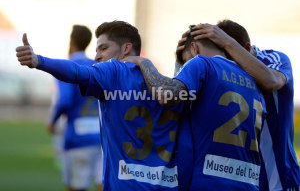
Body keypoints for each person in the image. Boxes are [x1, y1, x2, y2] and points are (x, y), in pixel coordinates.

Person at [16, 21, 183, 190]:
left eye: (103, 49)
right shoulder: (171, 87)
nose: (96, 57)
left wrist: (39, 61)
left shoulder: (114, 72)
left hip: (125, 184)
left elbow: (77, 72)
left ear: (125, 49)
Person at [122, 25, 266, 190]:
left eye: (184, 62)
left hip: (208, 182)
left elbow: (166, 96)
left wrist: (143, 62)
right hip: (249, 184)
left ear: (194, 48)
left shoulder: (201, 63)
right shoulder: (254, 81)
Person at [187, 20, 300, 191]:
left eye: (230, 55)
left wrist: (227, 42)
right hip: (240, 178)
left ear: (246, 49)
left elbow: (272, 81)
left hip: (279, 178)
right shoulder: (215, 69)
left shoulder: (273, 59)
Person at [45, 25, 103, 191]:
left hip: (77, 137)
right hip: (101, 137)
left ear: (71, 41)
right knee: (104, 184)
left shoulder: (67, 67)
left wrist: (52, 121)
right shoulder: (97, 66)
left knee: (77, 186)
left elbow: (64, 100)